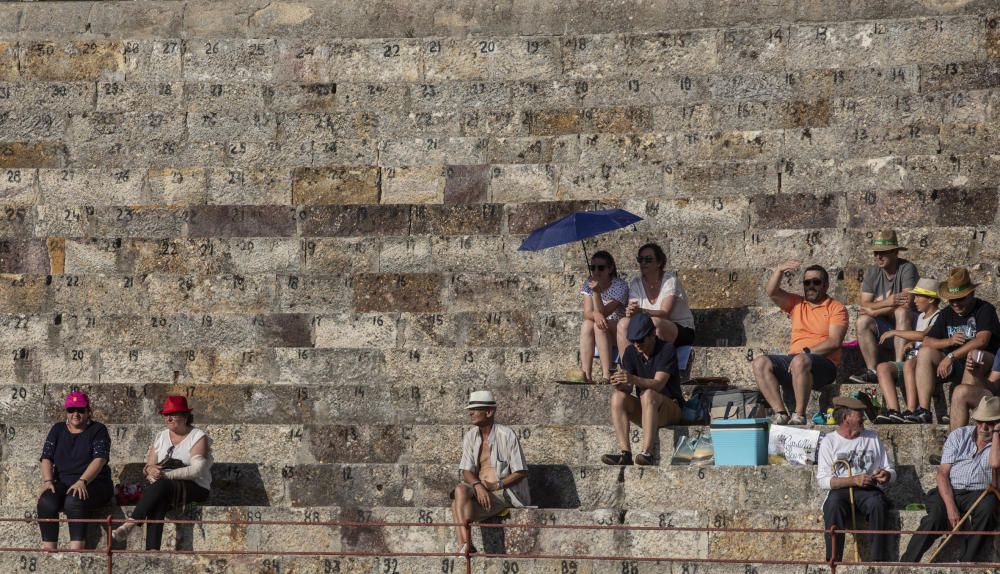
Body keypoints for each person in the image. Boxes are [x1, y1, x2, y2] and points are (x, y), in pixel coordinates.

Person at [901, 396, 1000, 563]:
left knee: (989, 508)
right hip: (950, 489)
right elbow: (942, 474)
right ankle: (906, 563)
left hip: (980, 493)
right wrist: (950, 506)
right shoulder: (959, 435)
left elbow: (995, 463)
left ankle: (967, 562)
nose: (984, 427)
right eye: (980, 421)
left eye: (989, 423)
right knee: (934, 518)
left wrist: (996, 434)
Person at [752, 260, 848, 425]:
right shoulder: (796, 303)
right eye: (807, 282)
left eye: (816, 282)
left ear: (825, 285)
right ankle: (781, 413)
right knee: (760, 362)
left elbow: (834, 341)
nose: (811, 286)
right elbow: (772, 291)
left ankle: (800, 414)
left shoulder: (836, 308)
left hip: (824, 365)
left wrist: (806, 354)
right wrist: (779, 270)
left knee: (800, 360)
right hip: (796, 362)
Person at [112, 396, 212, 550]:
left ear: (185, 416)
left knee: (162, 486)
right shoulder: (161, 436)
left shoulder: (198, 436)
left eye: (173, 414)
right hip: (164, 488)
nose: (169, 418)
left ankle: (130, 523)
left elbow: (198, 471)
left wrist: (166, 475)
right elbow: (149, 466)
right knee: (158, 499)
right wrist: (151, 470)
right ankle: (152, 551)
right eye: (166, 415)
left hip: (196, 488)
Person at [911, 268, 1000, 424]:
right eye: (952, 300)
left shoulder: (985, 309)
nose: (956, 304)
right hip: (956, 365)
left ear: (971, 295)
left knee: (974, 354)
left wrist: (951, 356)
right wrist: (949, 342)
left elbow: (982, 341)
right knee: (925, 352)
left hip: (983, 364)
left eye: (960, 299)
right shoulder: (947, 313)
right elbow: (927, 341)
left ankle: (960, 406)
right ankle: (924, 410)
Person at [817, 396, 896, 562]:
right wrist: (852, 480)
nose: (863, 418)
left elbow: (890, 470)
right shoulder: (829, 442)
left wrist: (886, 476)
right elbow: (823, 480)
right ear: (846, 418)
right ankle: (833, 560)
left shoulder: (872, 437)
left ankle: (877, 561)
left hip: (868, 490)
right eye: (859, 414)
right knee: (832, 505)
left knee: (878, 504)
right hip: (841, 490)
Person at [451, 390, 529, 555]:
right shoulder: (470, 436)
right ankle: (466, 544)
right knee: (459, 490)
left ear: (489, 411)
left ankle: (465, 545)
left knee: (455, 505)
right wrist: (478, 485)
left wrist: (496, 485)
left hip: (503, 493)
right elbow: (466, 471)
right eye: (469, 409)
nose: (470, 413)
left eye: (475, 409)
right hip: (481, 491)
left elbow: (521, 471)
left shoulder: (507, 435)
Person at [602, 313, 682, 466]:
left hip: (670, 408)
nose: (637, 344)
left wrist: (633, 379)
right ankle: (625, 454)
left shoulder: (667, 349)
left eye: (640, 340)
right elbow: (627, 388)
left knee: (649, 394)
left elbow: (659, 384)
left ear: (652, 334)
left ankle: (647, 452)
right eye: (633, 341)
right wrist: (619, 383)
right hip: (648, 409)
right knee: (618, 397)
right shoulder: (631, 352)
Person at [37, 391, 113, 550]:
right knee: (46, 500)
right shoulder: (57, 429)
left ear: (88, 411)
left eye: (80, 410)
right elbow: (46, 457)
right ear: (66, 412)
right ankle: (48, 551)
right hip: (64, 482)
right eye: (71, 410)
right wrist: (47, 481)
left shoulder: (98, 429)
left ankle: (76, 550)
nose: (75, 414)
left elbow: (99, 459)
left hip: (94, 483)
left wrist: (82, 481)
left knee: (74, 499)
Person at [850, 230, 919, 385]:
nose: (878, 257)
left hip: (908, 326)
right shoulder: (872, 272)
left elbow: (906, 302)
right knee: (862, 322)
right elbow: (864, 305)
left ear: (895, 252)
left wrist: (874, 310)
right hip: (886, 326)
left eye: (883, 253)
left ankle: (898, 365)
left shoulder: (907, 268)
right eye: (875, 253)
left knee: (902, 312)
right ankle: (872, 371)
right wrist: (889, 302)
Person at [874, 278, 942, 423]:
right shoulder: (921, 317)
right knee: (882, 368)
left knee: (909, 364)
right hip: (914, 359)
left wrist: (895, 332)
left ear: (930, 299)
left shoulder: (940, 316)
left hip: (927, 364)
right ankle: (894, 411)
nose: (914, 300)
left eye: (918, 296)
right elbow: (919, 337)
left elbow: (924, 335)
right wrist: (911, 343)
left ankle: (911, 409)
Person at [616, 243, 695, 354]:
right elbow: (633, 311)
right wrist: (631, 312)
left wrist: (641, 311)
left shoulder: (670, 280)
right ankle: (628, 368)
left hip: (680, 329)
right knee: (623, 324)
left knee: (654, 323)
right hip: (648, 328)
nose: (643, 263)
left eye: (648, 259)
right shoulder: (636, 283)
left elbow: (664, 313)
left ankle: (657, 366)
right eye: (640, 259)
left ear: (659, 262)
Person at [579, 250, 629, 382]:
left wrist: (596, 293)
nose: (596, 271)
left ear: (610, 268)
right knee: (586, 325)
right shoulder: (588, 283)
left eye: (601, 268)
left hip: (617, 329)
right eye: (593, 267)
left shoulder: (620, 285)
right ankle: (586, 375)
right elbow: (587, 313)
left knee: (598, 325)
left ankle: (607, 374)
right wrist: (595, 313)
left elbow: (605, 313)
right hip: (600, 326)